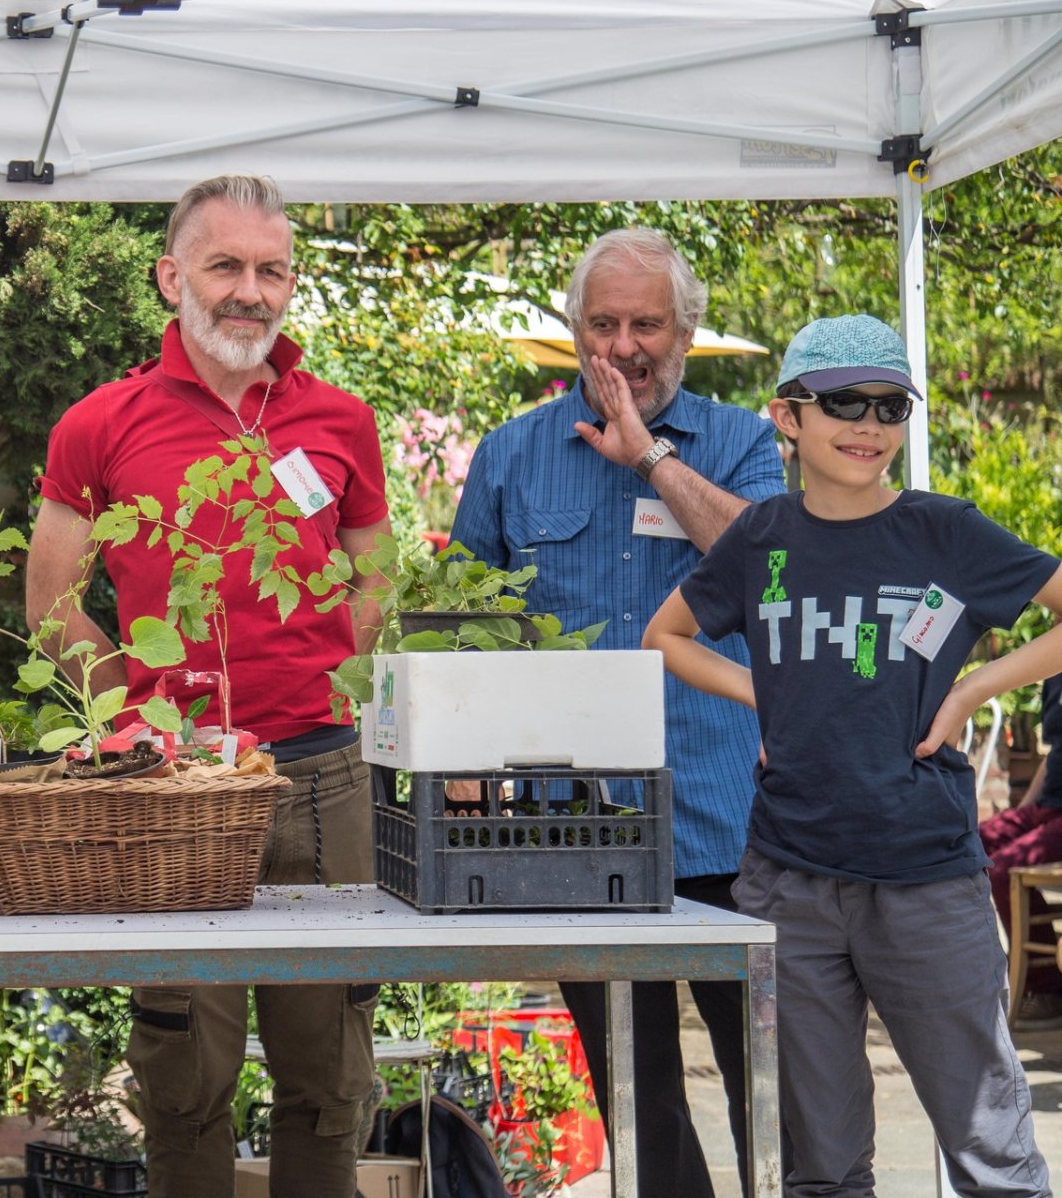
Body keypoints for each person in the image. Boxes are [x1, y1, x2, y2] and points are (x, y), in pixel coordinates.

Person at [28, 174, 392, 1198]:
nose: (251, 291)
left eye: (272, 269)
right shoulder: (101, 423)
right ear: (171, 275)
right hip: (172, 786)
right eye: (226, 265)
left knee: (329, 1073)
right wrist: (133, 713)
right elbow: (51, 599)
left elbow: (376, 568)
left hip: (322, 777)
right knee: (184, 1070)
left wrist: (330, 667)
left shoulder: (340, 419)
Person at [646, 313, 1061, 1197]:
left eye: (891, 404)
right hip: (790, 884)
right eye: (845, 403)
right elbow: (666, 637)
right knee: (823, 1170)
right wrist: (768, 693)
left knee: (993, 1158)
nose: (871, 425)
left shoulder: (945, 532)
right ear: (787, 418)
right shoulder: (761, 538)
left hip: (928, 882)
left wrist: (974, 690)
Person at [449, 228, 782, 1197]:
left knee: (770, 1076)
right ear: (575, 329)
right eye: (605, 322)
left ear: (686, 328)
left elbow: (767, 566)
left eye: (647, 323)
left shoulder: (742, 443)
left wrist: (651, 461)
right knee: (639, 1096)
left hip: (730, 815)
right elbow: (466, 630)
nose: (625, 345)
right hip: (575, 825)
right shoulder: (512, 454)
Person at [984, 673, 1062, 1028]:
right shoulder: (1054, 670)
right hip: (1048, 805)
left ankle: (1045, 988)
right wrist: (1021, 813)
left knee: (1004, 869)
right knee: (969, 844)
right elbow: (1052, 755)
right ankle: (981, 970)